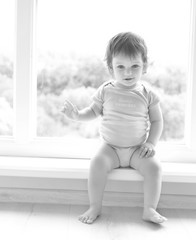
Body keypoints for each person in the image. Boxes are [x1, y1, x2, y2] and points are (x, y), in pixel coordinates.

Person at [61, 32, 167, 224]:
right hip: (110, 148)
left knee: (154, 168)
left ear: (145, 66)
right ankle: (95, 206)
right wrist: (77, 115)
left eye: (135, 66)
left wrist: (151, 143)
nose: (128, 72)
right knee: (96, 164)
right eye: (121, 67)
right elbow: (93, 111)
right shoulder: (106, 89)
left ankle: (149, 209)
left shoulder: (147, 93)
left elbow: (158, 121)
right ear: (111, 68)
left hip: (137, 149)